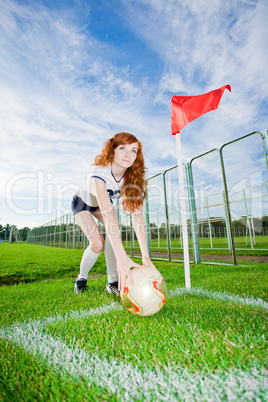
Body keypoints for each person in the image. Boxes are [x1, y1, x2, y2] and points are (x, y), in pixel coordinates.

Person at [71, 132, 156, 296]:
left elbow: (137, 216)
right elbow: (108, 214)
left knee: (114, 230)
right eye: (122, 148)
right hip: (83, 203)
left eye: (133, 150)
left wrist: (146, 256)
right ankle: (81, 279)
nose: (127, 154)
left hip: (102, 205)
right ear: (112, 150)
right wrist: (121, 256)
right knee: (97, 243)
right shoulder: (100, 171)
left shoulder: (131, 177)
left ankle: (112, 282)